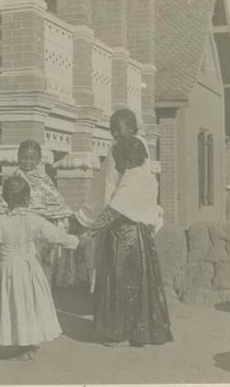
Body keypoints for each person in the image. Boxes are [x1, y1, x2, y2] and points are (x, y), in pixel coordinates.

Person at [0, 176, 79, 360]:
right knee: (28, 305)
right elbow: (58, 236)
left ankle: (24, 346)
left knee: (15, 305)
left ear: (6, 200)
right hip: (30, 270)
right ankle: (28, 343)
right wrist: (78, 241)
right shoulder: (35, 220)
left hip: (10, 271)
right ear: (27, 198)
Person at [76, 136, 172, 347]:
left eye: (118, 162)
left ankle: (117, 333)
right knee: (140, 284)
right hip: (142, 239)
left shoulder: (131, 178)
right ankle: (141, 333)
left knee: (118, 283)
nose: (117, 167)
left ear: (127, 161)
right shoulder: (149, 177)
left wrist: (89, 233)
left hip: (124, 239)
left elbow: (112, 211)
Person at [0, 140, 81, 287]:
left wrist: (66, 216)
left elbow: (57, 203)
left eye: (32, 158)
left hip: (41, 232)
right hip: (20, 231)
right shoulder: (13, 179)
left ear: (38, 160)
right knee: (22, 271)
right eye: (24, 157)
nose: (27, 161)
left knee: (41, 273)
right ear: (18, 157)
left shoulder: (45, 180)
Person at [86, 108, 152, 293]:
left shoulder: (134, 151)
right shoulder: (119, 147)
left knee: (124, 280)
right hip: (118, 228)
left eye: (118, 129)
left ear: (132, 129)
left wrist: (89, 231)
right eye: (111, 129)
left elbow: (117, 204)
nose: (114, 133)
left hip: (128, 230)